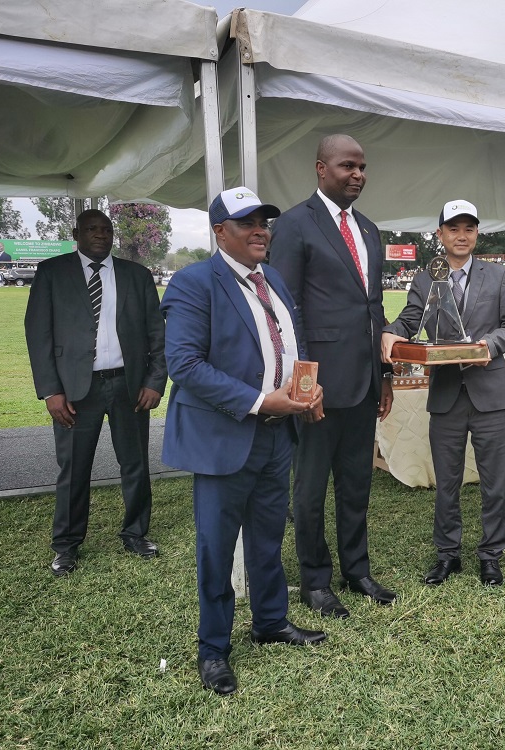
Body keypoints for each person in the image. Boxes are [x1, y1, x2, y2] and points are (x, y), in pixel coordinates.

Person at [161, 187, 326, 696]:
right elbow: (185, 365)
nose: (260, 230)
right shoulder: (194, 283)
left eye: (264, 221)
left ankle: (270, 621)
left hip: (278, 436)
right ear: (219, 232)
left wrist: (307, 390)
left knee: (267, 537)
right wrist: (260, 401)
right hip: (225, 437)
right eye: (246, 222)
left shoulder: (272, 278)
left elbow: (291, 344)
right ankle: (213, 649)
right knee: (216, 549)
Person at [269, 134, 396, 618]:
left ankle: (356, 570)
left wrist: (385, 374)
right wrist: (304, 385)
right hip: (317, 386)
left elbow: (373, 307)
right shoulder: (294, 225)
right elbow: (287, 310)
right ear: (321, 169)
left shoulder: (369, 229)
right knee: (310, 488)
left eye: (362, 167)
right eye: (348, 166)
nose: (358, 175)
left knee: (356, 483)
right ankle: (315, 580)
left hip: (364, 381)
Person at [382, 199, 505, 586]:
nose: (462, 236)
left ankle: (491, 555)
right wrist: (392, 332)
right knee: (446, 482)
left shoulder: (499, 276)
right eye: (454, 228)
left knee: (494, 483)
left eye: (469, 228)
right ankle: (448, 555)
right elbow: (411, 318)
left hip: (490, 395)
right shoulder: (426, 277)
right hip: (446, 395)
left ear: (477, 233)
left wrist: (488, 346)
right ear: (440, 233)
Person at [25, 210, 165, 577]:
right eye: (91, 229)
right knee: (73, 469)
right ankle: (66, 545)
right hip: (74, 391)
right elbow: (38, 335)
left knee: (135, 464)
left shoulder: (137, 275)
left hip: (129, 386)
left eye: (106, 229)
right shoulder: (52, 273)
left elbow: (158, 333)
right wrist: (51, 391)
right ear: (76, 234)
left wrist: (154, 381)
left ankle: (135, 533)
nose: (100, 235)